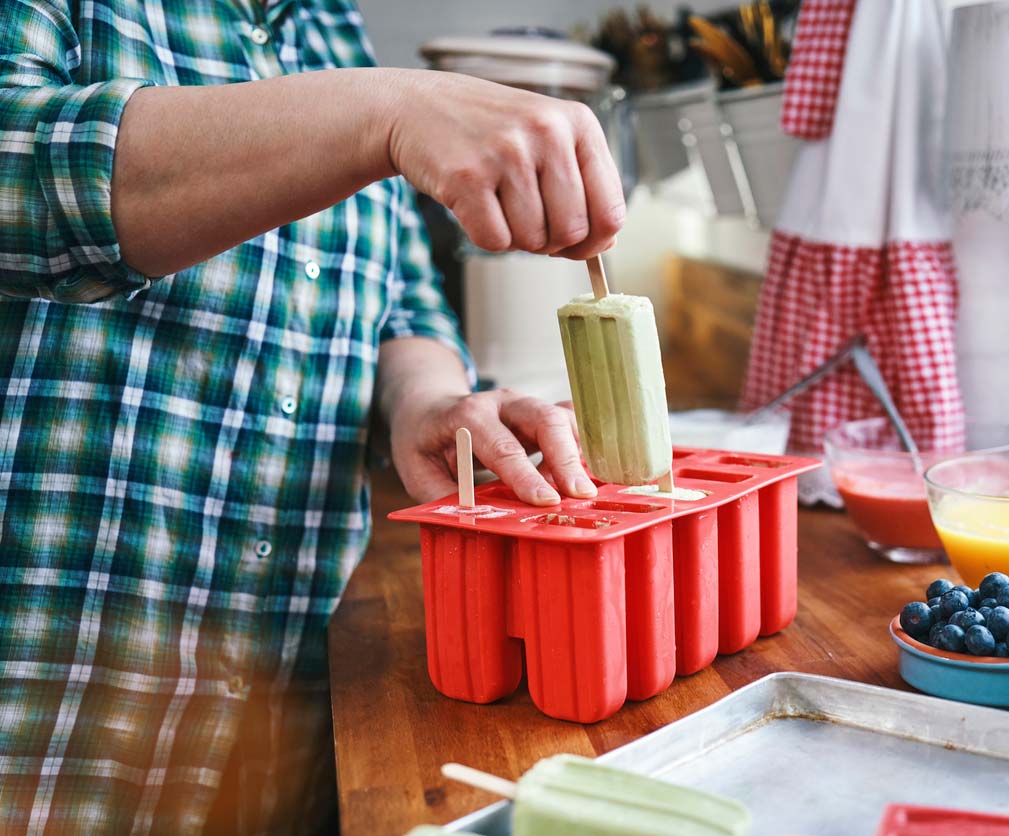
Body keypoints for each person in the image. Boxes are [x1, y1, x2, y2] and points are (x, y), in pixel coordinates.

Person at [0, 1, 624, 831]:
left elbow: (399, 296)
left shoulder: (330, 27)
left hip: (276, 725)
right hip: (50, 729)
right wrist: (386, 108)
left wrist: (428, 399)